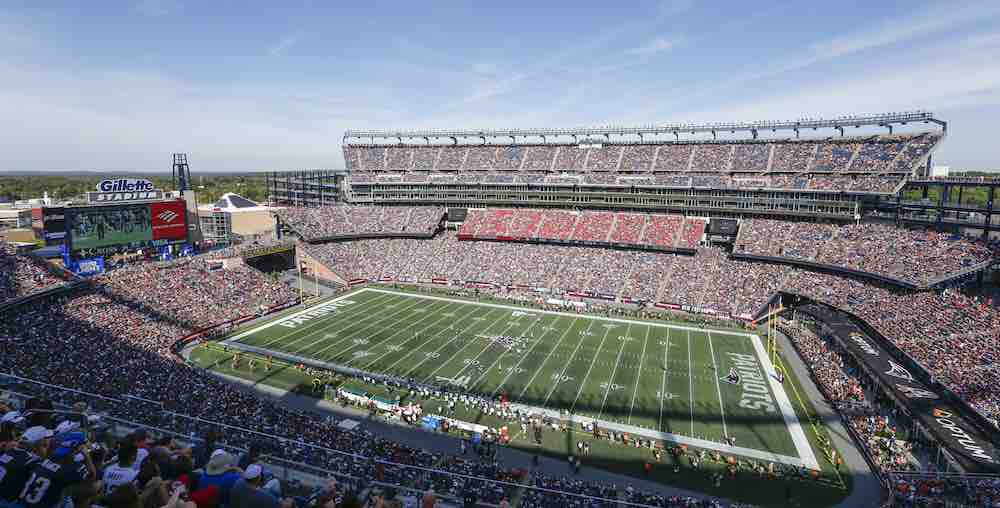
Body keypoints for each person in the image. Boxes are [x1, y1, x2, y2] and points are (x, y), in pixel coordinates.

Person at [0, 426, 51, 501]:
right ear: (38, 443)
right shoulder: (31, 461)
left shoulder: (8, 452)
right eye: (44, 444)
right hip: (7, 500)